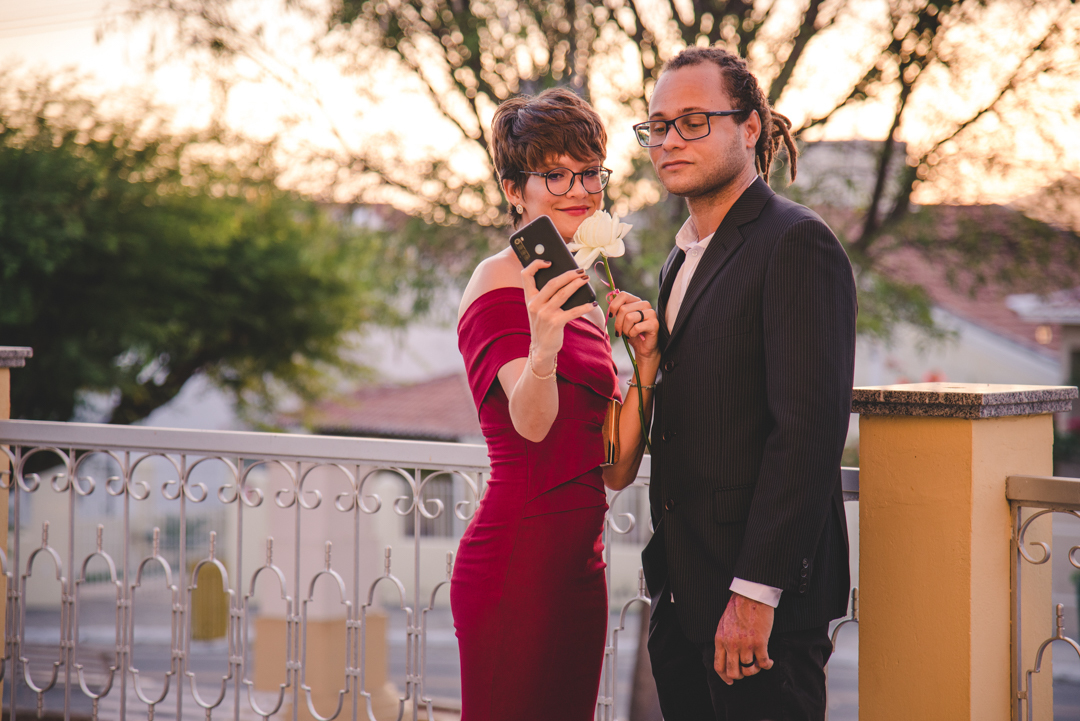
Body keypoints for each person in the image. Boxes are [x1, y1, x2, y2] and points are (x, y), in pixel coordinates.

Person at [634, 47, 858, 720]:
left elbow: (807, 435)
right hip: (684, 596)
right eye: (658, 126)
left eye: (693, 121)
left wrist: (755, 595)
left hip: (758, 611)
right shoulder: (681, 257)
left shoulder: (797, 241)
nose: (670, 140)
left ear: (751, 127)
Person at [451, 87, 659, 721]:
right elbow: (533, 426)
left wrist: (648, 365)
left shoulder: (583, 297)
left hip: (580, 567)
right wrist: (542, 348)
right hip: (517, 562)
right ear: (514, 189)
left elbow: (615, 471)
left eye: (590, 172)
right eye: (555, 175)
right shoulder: (496, 279)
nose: (579, 190)